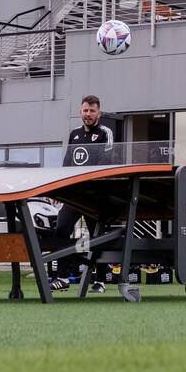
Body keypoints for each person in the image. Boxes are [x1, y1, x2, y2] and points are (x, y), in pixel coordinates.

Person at [48, 95, 114, 293]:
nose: (88, 114)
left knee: (97, 237)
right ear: (80, 112)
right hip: (74, 196)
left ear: (98, 113)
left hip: (95, 197)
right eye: (85, 110)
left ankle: (100, 280)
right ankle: (62, 277)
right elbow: (68, 162)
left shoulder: (105, 133)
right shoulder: (74, 134)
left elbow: (108, 162)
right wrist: (59, 190)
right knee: (61, 230)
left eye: (92, 110)